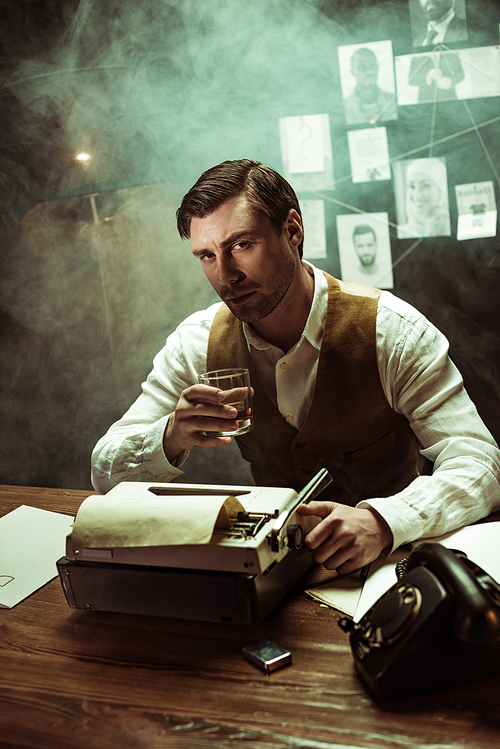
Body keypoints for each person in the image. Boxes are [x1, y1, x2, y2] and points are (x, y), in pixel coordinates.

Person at [91, 159, 500, 575]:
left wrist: (384, 520)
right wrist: (170, 436)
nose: (225, 275)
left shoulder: (392, 331)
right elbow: (104, 470)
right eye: (207, 256)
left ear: (292, 231)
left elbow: (480, 463)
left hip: (391, 566)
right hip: (275, 573)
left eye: (240, 245)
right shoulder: (196, 343)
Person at [397, 157, 451, 238]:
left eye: (425, 186)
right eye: (411, 186)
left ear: (440, 191)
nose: (417, 196)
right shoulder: (400, 233)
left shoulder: (453, 228)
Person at [343, 47, 397, 126]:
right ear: (352, 72)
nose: (369, 72)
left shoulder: (393, 101)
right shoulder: (344, 107)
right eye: (362, 67)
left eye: (372, 66)